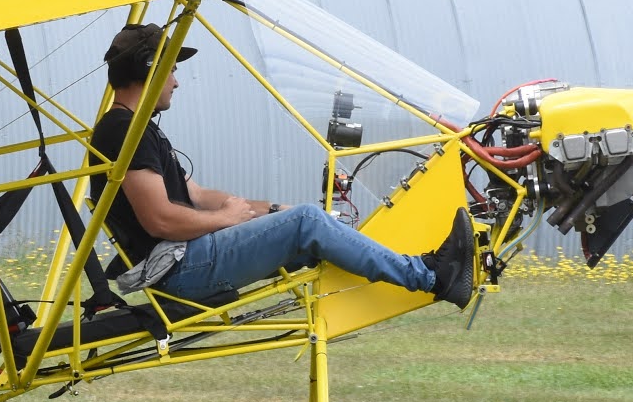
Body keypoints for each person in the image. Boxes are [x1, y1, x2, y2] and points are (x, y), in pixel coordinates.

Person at [86, 23, 475, 308]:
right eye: (171, 70)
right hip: (180, 268)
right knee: (309, 222)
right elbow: (162, 221)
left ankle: (421, 264)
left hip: (188, 257)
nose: (175, 82)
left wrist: (269, 211)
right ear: (150, 67)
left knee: (321, 228)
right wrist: (231, 219)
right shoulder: (121, 131)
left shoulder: (137, 130)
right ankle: (434, 277)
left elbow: (197, 195)